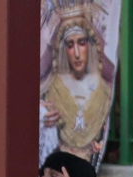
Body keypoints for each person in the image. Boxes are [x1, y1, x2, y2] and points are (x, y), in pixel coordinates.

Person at [40, 6, 116, 166]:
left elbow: (109, 71)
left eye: (82, 43)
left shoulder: (102, 87)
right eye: (69, 45)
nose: (76, 53)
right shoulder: (53, 87)